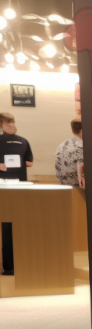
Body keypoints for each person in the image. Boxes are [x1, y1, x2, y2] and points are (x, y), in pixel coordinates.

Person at [0, 112, 34, 275]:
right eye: (10, 124)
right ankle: (15, 264)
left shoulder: (20, 141)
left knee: (9, 224)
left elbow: (29, 163)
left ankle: (10, 266)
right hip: (18, 187)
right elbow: (29, 163)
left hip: (6, 187)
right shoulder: (23, 141)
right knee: (17, 223)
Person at [55, 119, 84, 187]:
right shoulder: (82, 145)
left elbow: (57, 165)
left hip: (64, 185)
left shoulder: (63, 144)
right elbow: (81, 164)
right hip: (81, 185)